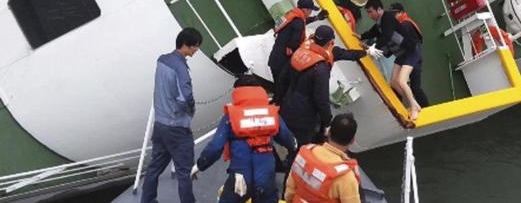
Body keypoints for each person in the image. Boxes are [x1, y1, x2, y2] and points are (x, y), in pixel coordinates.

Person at [191, 75, 297, 203]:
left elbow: (215, 147)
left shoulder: (231, 117)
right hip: (266, 176)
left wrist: (200, 165)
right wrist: (294, 145)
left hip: (240, 177)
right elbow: (287, 139)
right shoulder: (271, 114)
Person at [279, 26, 376, 146]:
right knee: (302, 144)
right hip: (305, 113)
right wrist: (328, 123)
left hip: (288, 101)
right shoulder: (321, 68)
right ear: (330, 42)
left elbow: (283, 78)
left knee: (287, 136)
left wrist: (279, 100)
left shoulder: (301, 50)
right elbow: (321, 100)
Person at [141, 28, 202, 203]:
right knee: (184, 171)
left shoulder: (162, 60)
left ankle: (147, 200)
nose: (197, 50)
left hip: (160, 124)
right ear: (186, 45)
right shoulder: (180, 67)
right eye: (196, 46)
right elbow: (186, 97)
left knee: (155, 167)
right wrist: (191, 109)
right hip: (177, 127)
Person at [360, 0, 426, 121]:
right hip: (401, 56)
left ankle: (414, 107)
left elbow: (387, 36)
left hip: (411, 53)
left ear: (379, 10)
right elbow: (373, 32)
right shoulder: (380, 23)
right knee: (394, 83)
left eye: (370, 12)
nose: (369, 15)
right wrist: (360, 37)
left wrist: (374, 48)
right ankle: (412, 103)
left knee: (402, 81)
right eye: (368, 13)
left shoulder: (388, 18)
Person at [285, 113, 361, 203]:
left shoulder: (304, 152)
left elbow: (290, 188)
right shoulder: (346, 177)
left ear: (328, 132)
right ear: (352, 140)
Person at [269, 0, 327, 101]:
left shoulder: (291, 15)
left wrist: (317, 18)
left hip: (274, 58)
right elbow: (294, 43)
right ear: (305, 10)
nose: (310, 13)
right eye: (310, 11)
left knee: (278, 86)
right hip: (282, 63)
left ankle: (275, 100)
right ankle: (277, 103)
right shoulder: (298, 22)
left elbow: (301, 22)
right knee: (283, 88)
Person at [389, 3, 429, 109]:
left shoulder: (405, 24)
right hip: (407, 55)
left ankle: (426, 108)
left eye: (394, 14)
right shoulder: (405, 23)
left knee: (414, 86)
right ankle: (406, 103)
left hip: (413, 56)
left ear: (401, 12)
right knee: (397, 83)